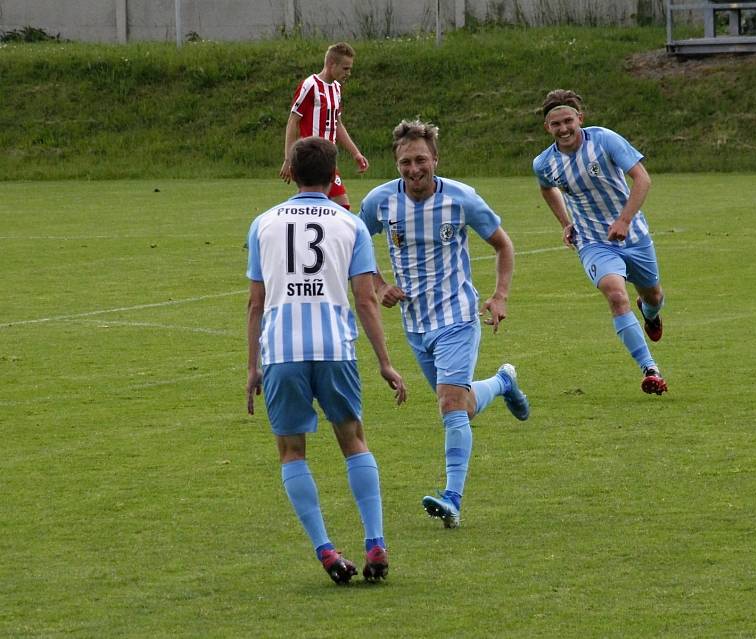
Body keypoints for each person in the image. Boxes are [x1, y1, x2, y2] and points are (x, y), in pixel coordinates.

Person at [246, 136, 406, 585]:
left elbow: (255, 304)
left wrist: (252, 367)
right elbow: (366, 300)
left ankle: (326, 551)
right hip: (335, 348)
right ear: (333, 174)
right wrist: (385, 362)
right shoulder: (350, 225)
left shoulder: (263, 223)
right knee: (354, 439)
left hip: (281, 353)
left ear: (291, 172)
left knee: (291, 451)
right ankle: (375, 542)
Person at [358, 119, 531, 530]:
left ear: (435, 158)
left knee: (450, 405)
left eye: (421, 159)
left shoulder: (461, 199)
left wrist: (500, 295)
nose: (414, 169)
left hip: (457, 317)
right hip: (415, 325)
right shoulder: (379, 202)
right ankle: (503, 382)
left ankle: (452, 498)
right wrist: (380, 285)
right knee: (462, 406)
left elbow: (503, 245)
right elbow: (356, 247)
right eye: (405, 162)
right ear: (396, 164)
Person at [532, 89, 668, 395]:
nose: (564, 128)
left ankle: (650, 312)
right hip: (593, 241)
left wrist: (624, 220)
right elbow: (547, 189)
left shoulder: (605, 140)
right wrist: (566, 222)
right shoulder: (544, 163)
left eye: (568, 120)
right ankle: (650, 370)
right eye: (556, 124)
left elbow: (642, 178)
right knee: (615, 295)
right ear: (547, 128)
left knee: (654, 296)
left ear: (580, 118)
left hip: (634, 236)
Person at [279, 42, 368, 211]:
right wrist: (289, 158)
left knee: (319, 207)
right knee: (341, 205)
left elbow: (338, 124)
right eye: (345, 68)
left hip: (327, 157)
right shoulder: (310, 85)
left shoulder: (336, 88)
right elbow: (293, 121)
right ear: (331, 64)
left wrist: (356, 153)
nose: (348, 73)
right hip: (311, 157)